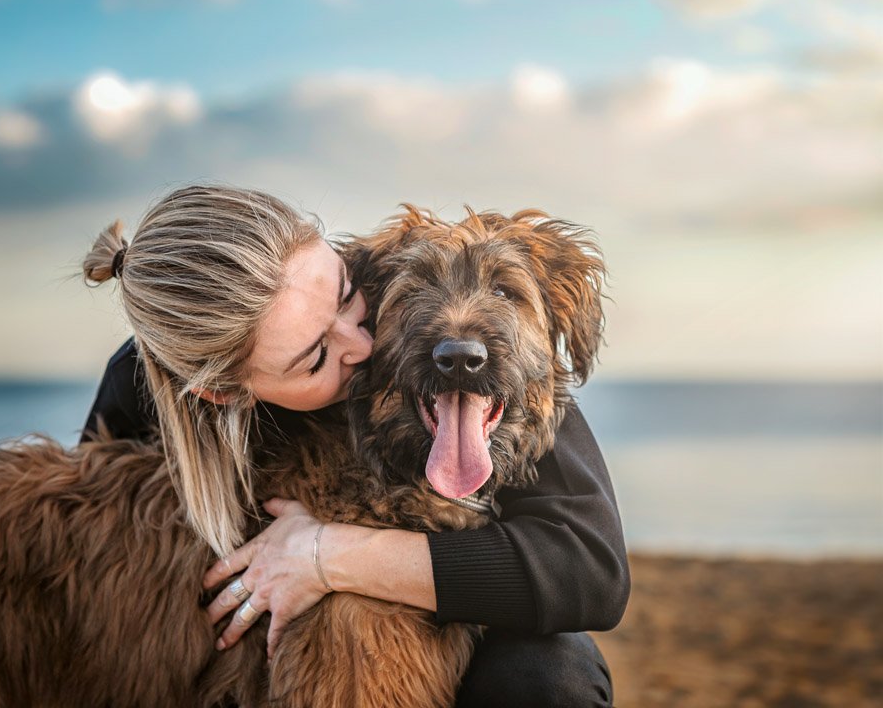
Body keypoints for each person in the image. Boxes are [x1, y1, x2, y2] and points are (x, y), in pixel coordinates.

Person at [80, 184, 628, 707]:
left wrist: (323, 555)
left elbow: (589, 574)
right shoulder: (143, 383)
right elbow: (87, 552)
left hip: (471, 636)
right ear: (221, 391)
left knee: (551, 673)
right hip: (251, 658)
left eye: (348, 298)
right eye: (315, 355)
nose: (364, 345)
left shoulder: (497, 380)